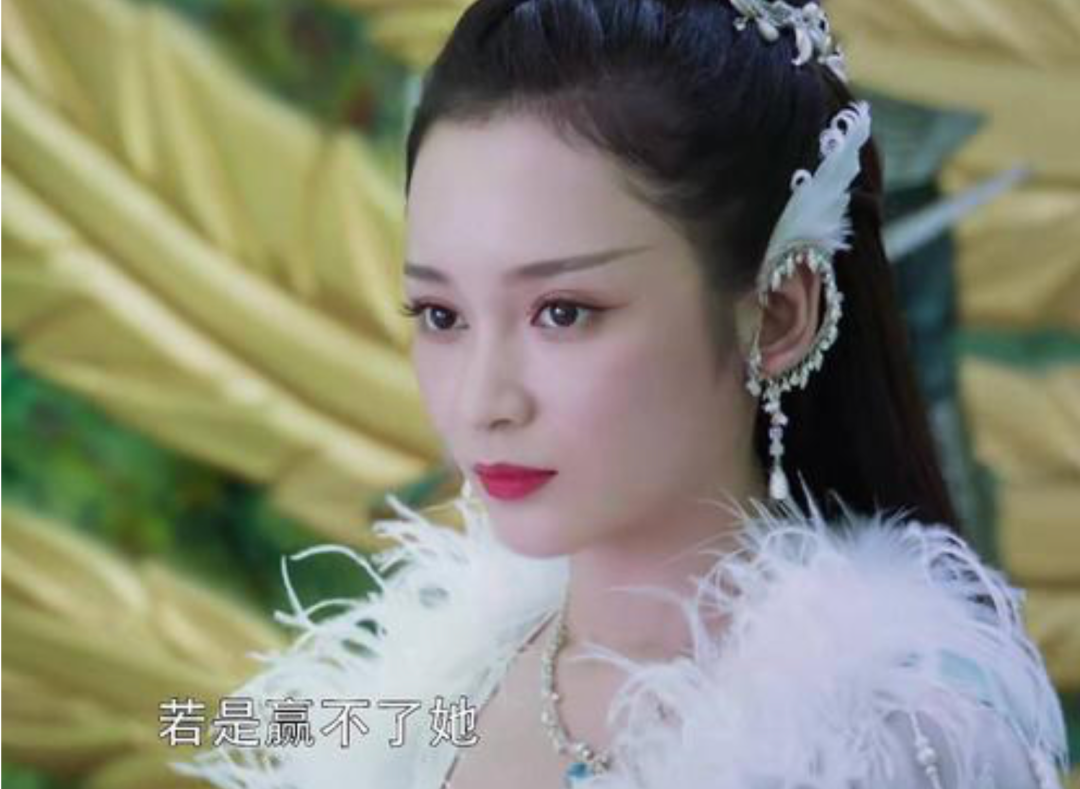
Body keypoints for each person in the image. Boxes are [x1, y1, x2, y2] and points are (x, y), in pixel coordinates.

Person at [172, 1, 1071, 787]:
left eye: (563, 312)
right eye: (441, 315)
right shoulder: (422, 690)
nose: (484, 401)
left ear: (778, 313)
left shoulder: (897, 731)